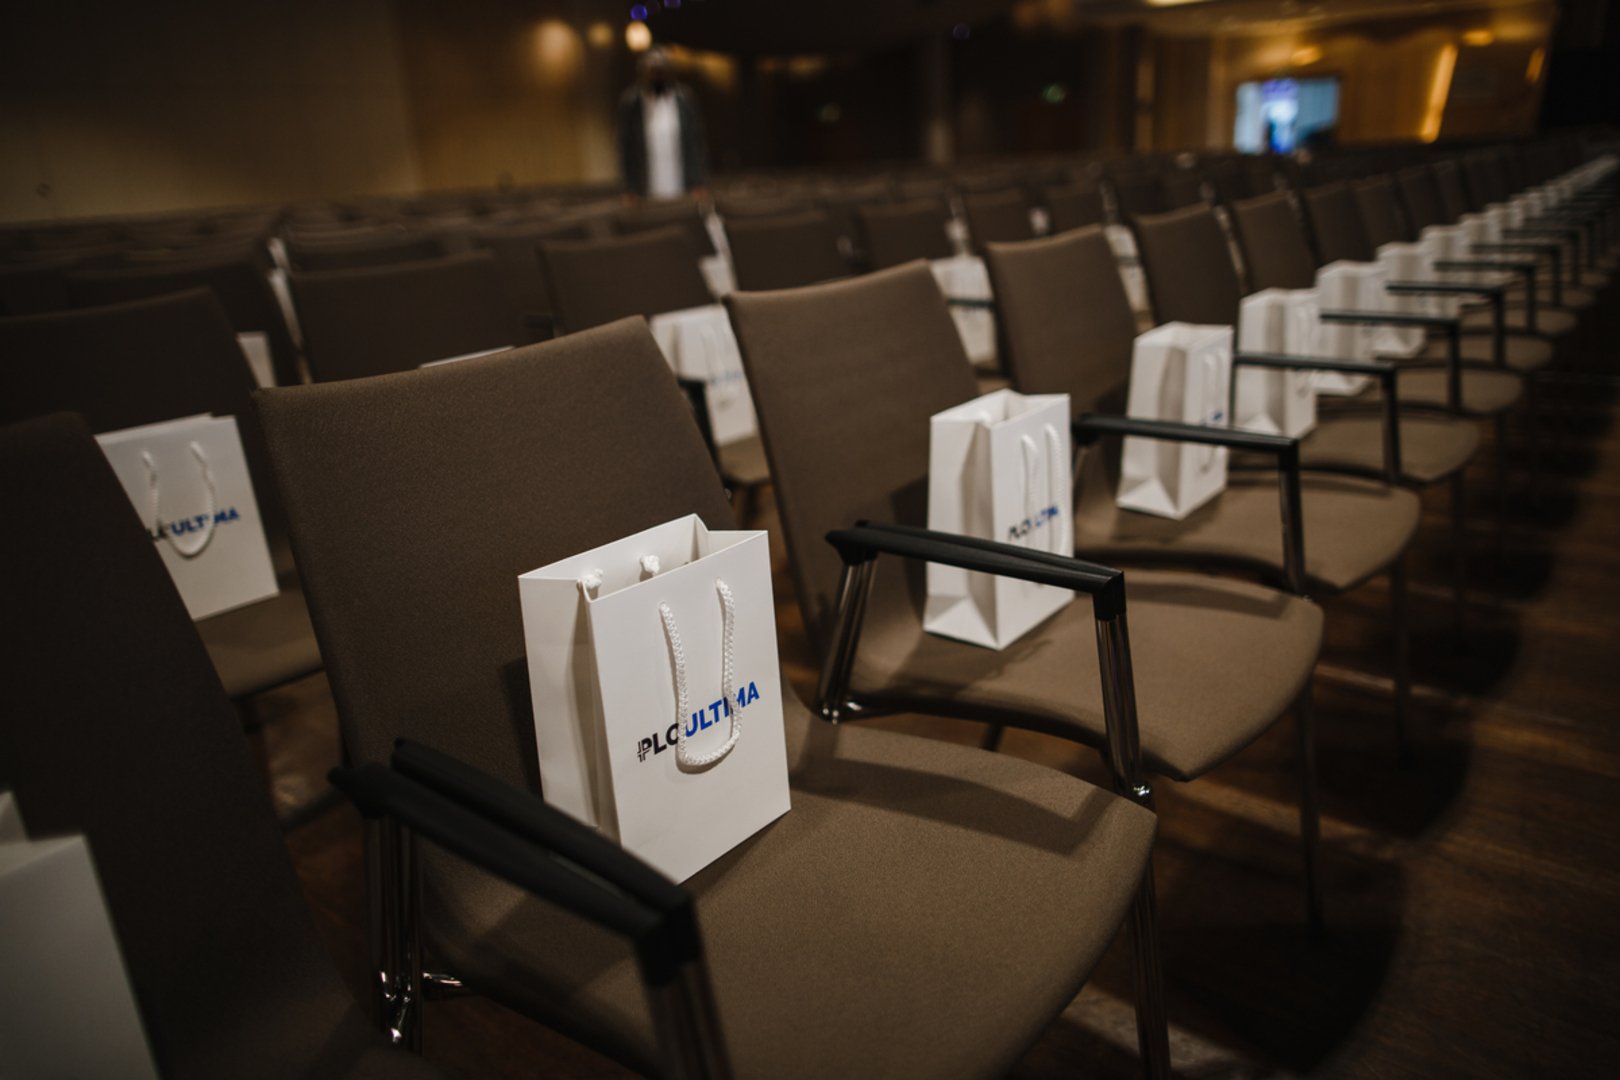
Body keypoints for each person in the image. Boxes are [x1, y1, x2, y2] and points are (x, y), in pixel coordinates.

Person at [617, 48, 708, 200]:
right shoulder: (632, 103)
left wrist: (697, 182)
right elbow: (627, 149)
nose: (656, 76)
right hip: (647, 188)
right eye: (652, 71)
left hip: (682, 185)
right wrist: (631, 188)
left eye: (660, 71)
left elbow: (695, 144)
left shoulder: (684, 101)